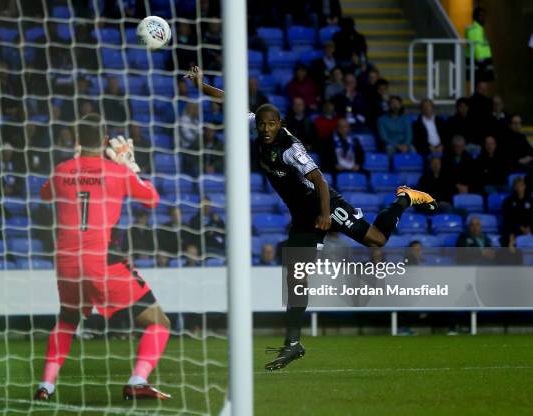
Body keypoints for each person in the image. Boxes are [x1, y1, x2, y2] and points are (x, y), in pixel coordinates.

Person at [185, 65, 438, 371]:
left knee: (377, 239)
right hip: (302, 217)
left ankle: (404, 197)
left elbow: (319, 181)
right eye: (262, 125)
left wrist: (325, 214)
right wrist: (201, 84)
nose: (265, 129)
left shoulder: (292, 149)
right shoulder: (255, 124)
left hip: (324, 204)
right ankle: (293, 344)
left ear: (280, 124)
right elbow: (229, 100)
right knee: (295, 278)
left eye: (270, 125)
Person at [35, 114, 171, 401]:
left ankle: (45, 386)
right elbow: (152, 200)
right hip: (102, 260)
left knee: (68, 319)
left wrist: (74, 162)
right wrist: (131, 166)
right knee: (159, 321)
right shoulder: (116, 172)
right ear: (106, 140)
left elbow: (44, 194)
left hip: (67, 262)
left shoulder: (62, 170)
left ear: (76, 138)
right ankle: (137, 380)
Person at [465, 7, 494, 82]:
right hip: (479, 62)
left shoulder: (480, 29)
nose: (483, 18)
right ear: (475, 17)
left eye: (484, 16)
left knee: (482, 84)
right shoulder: (475, 29)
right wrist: (481, 62)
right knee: (480, 85)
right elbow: (476, 46)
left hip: (482, 61)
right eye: (480, 16)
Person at [501, 176, 532, 241]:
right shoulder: (508, 201)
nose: (519, 188)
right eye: (517, 186)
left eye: (521, 185)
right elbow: (509, 219)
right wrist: (521, 228)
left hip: (529, 229)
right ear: (514, 188)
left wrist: (529, 227)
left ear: (525, 186)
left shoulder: (530, 200)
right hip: (514, 229)